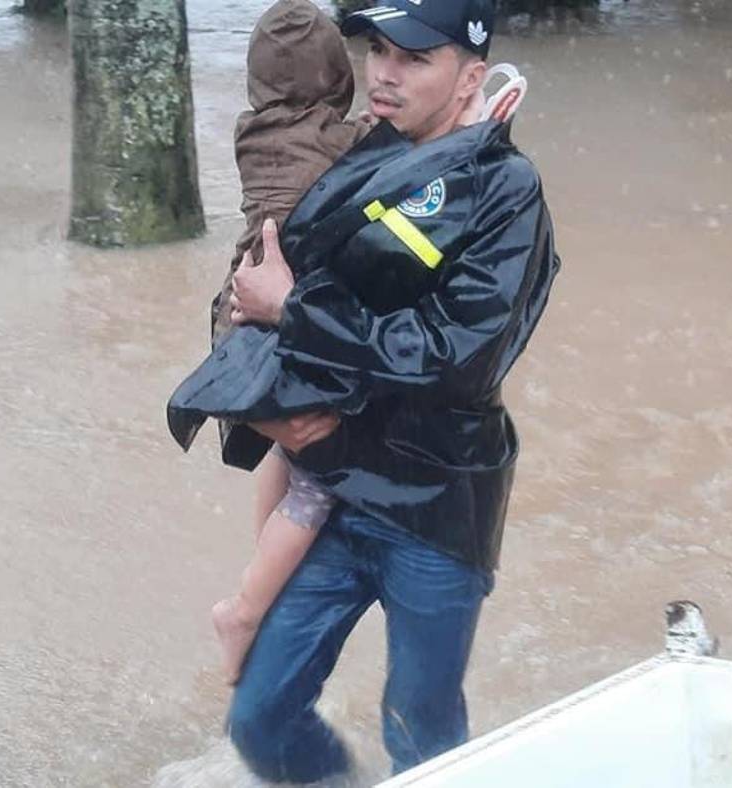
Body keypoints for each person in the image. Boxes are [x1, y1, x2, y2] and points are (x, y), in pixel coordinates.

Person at [218, 0, 560, 780]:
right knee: (260, 717)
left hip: (437, 508)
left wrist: (294, 309)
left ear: (472, 75)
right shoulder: (363, 156)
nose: (384, 73)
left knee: (421, 732)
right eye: (376, 51)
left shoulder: (506, 192)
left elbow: (458, 358)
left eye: (413, 58)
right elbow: (278, 274)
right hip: (336, 486)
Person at [205, 0, 376, 686]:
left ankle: (262, 562)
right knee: (318, 477)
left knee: (284, 441)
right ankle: (244, 609)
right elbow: (388, 146)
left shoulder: (253, 133)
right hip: (285, 316)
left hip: (237, 306)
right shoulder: (341, 143)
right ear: (337, 78)